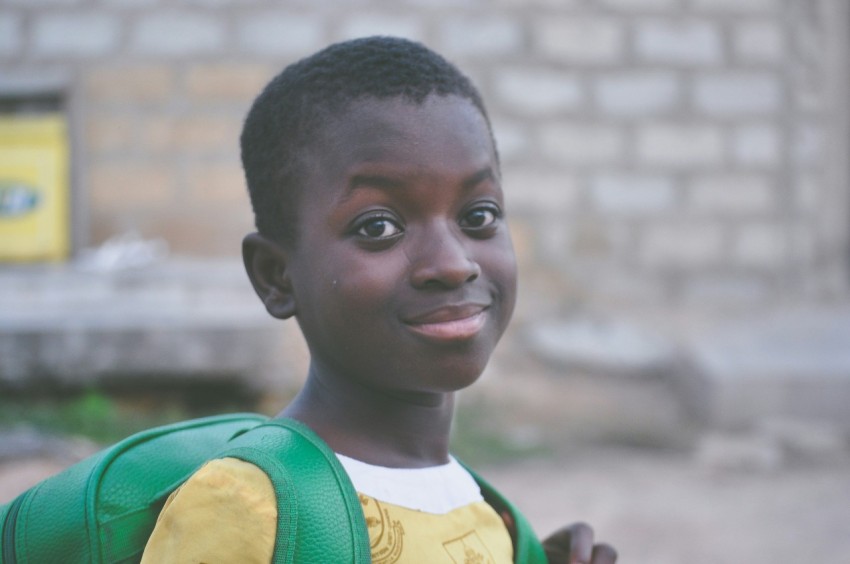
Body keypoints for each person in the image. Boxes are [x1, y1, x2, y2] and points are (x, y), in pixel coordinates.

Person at [141, 36, 617, 564]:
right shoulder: (253, 509)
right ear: (277, 276)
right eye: (379, 226)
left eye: (478, 215)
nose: (454, 263)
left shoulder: (485, 514)